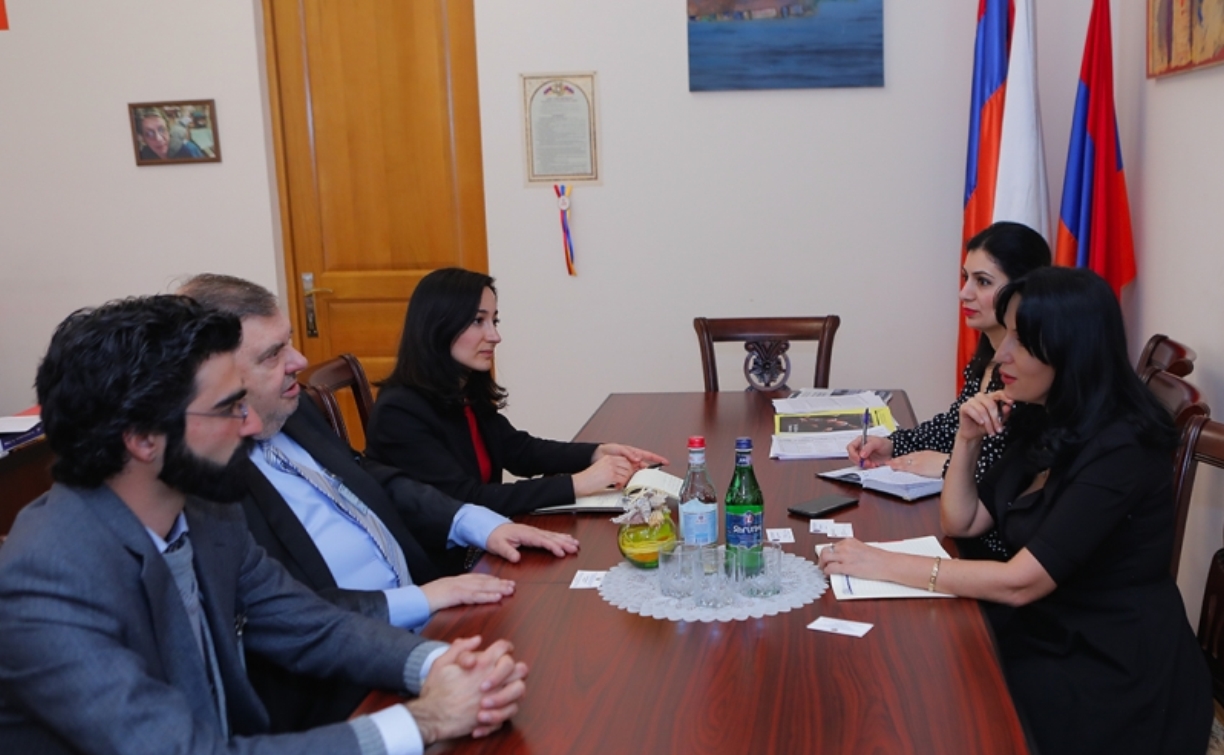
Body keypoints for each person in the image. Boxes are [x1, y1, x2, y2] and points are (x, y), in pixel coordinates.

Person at [0, 295, 528, 754]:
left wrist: (440, 664)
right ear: (141, 438)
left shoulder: (206, 514)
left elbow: (311, 624)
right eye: (229, 407)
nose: (251, 423)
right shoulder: (46, 581)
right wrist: (424, 721)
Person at [820, 268, 1212, 755]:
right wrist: (967, 439)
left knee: (931, 707)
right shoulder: (1042, 412)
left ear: (1070, 350)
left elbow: (1022, 582)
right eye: (1006, 334)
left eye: (1021, 341)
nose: (1001, 353)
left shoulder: (1121, 445)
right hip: (1045, 626)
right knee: (911, 669)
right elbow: (962, 521)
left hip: (1110, 665)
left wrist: (885, 563)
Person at [178, 273, 578, 730]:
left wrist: (473, 521)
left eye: (289, 342)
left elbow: (369, 477)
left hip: (429, 619)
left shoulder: (293, 407)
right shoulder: (207, 478)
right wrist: (421, 610)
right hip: (341, 685)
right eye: (273, 354)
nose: (299, 360)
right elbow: (290, 617)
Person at [365, 267, 669, 517]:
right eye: (478, 321)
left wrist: (595, 452)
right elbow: (465, 501)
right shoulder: (399, 412)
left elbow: (520, 451)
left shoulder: (462, 389)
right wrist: (577, 484)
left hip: (484, 541)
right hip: (444, 561)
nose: (495, 335)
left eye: (494, 321)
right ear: (438, 327)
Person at [847, 221, 1050, 559]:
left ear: (1022, 289)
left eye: (982, 282)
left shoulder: (1029, 379)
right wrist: (894, 444)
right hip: (964, 530)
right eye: (965, 277)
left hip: (996, 547)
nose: (964, 293)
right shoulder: (987, 356)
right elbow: (952, 425)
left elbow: (1008, 477)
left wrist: (946, 463)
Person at [137, 108, 204, 160]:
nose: (159, 139)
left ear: (168, 130)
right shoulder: (143, 156)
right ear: (143, 139)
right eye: (149, 134)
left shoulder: (189, 150)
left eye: (162, 129)